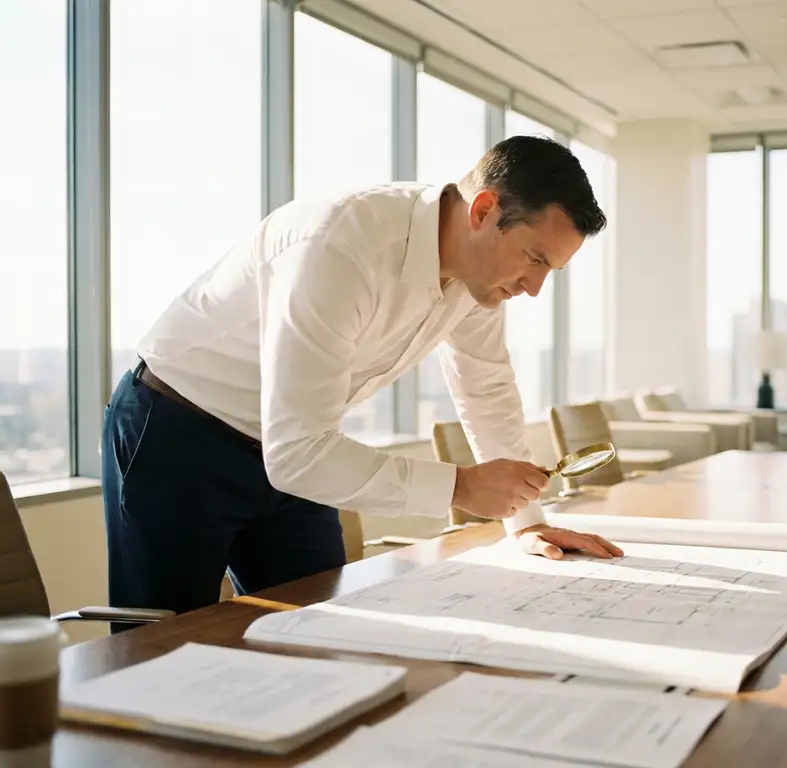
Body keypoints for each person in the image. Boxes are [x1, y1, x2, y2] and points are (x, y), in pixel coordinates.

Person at [101, 135, 623, 626]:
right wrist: (461, 486)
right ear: (484, 211)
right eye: (534, 259)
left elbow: (485, 387)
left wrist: (525, 519)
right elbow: (298, 453)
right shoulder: (340, 244)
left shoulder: (479, 278)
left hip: (297, 447)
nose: (533, 288)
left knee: (322, 627)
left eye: (549, 269)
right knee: (159, 647)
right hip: (178, 428)